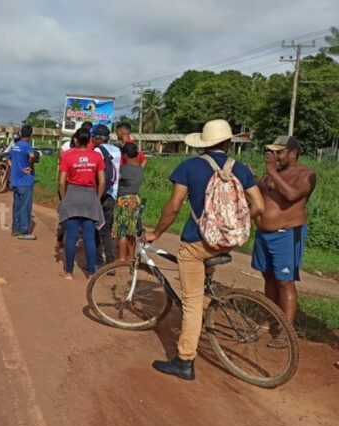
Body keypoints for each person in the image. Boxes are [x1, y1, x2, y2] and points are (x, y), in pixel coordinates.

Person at [145, 119, 264, 380]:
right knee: (203, 289)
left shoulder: (189, 167)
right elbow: (259, 205)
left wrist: (155, 233)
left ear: (204, 143)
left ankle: (184, 361)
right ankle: (207, 313)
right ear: (229, 142)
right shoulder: (240, 169)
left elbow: (174, 207)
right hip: (224, 243)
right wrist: (233, 228)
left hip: (196, 243)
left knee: (191, 302)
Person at [252, 136, 316, 348]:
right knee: (268, 277)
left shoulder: (305, 175)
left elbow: (291, 195)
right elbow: (259, 194)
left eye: (280, 152)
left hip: (287, 234)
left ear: (293, 153)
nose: (275, 156)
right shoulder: (272, 174)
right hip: (264, 235)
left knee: (285, 281)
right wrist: (253, 179)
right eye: (273, 152)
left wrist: (271, 172)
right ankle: (272, 321)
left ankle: (285, 332)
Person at [57, 128, 105, 279]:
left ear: (76, 140)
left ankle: (69, 272)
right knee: (89, 238)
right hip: (90, 196)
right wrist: (96, 198)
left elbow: (61, 181)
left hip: (72, 195)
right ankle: (91, 273)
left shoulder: (67, 155)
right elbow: (102, 181)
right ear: (89, 140)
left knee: (71, 237)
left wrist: (64, 198)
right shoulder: (97, 156)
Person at [91, 124, 121, 268]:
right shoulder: (117, 150)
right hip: (113, 194)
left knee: (96, 228)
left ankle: (98, 262)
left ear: (97, 137)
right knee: (107, 230)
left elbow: (96, 173)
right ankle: (110, 263)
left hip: (100, 194)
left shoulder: (97, 150)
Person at [113, 142, 144, 262]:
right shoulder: (139, 169)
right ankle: (132, 257)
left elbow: (114, 180)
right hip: (135, 200)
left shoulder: (124, 169)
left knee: (122, 232)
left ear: (124, 155)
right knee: (132, 231)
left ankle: (121, 258)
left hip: (124, 201)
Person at [10, 125, 37, 240]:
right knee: (25, 207)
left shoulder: (16, 146)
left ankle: (15, 229)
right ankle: (24, 230)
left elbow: (10, 159)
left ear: (21, 134)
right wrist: (29, 166)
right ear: (30, 135)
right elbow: (32, 155)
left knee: (16, 206)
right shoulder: (27, 146)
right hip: (25, 181)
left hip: (15, 180)